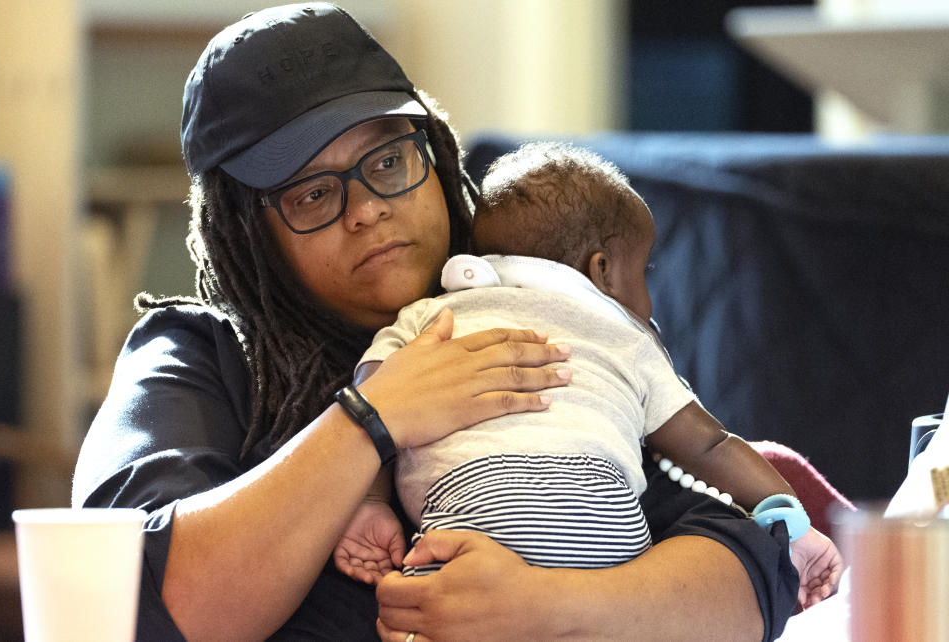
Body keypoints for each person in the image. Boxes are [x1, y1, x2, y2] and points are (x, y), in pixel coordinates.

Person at [71, 4, 804, 640]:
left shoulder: (527, 323)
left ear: (436, 155)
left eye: (388, 160)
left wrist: (547, 606)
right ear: (246, 233)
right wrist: (374, 417)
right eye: (311, 194)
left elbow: (751, 583)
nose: (367, 209)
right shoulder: (202, 358)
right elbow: (125, 604)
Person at [333, 142, 842, 606]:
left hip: (469, 519)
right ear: (601, 270)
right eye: (644, 272)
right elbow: (710, 445)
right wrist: (791, 520)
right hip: (602, 523)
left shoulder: (432, 316)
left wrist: (372, 503)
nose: (648, 296)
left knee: (432, 613)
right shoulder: (623, 337)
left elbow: (376, 412)